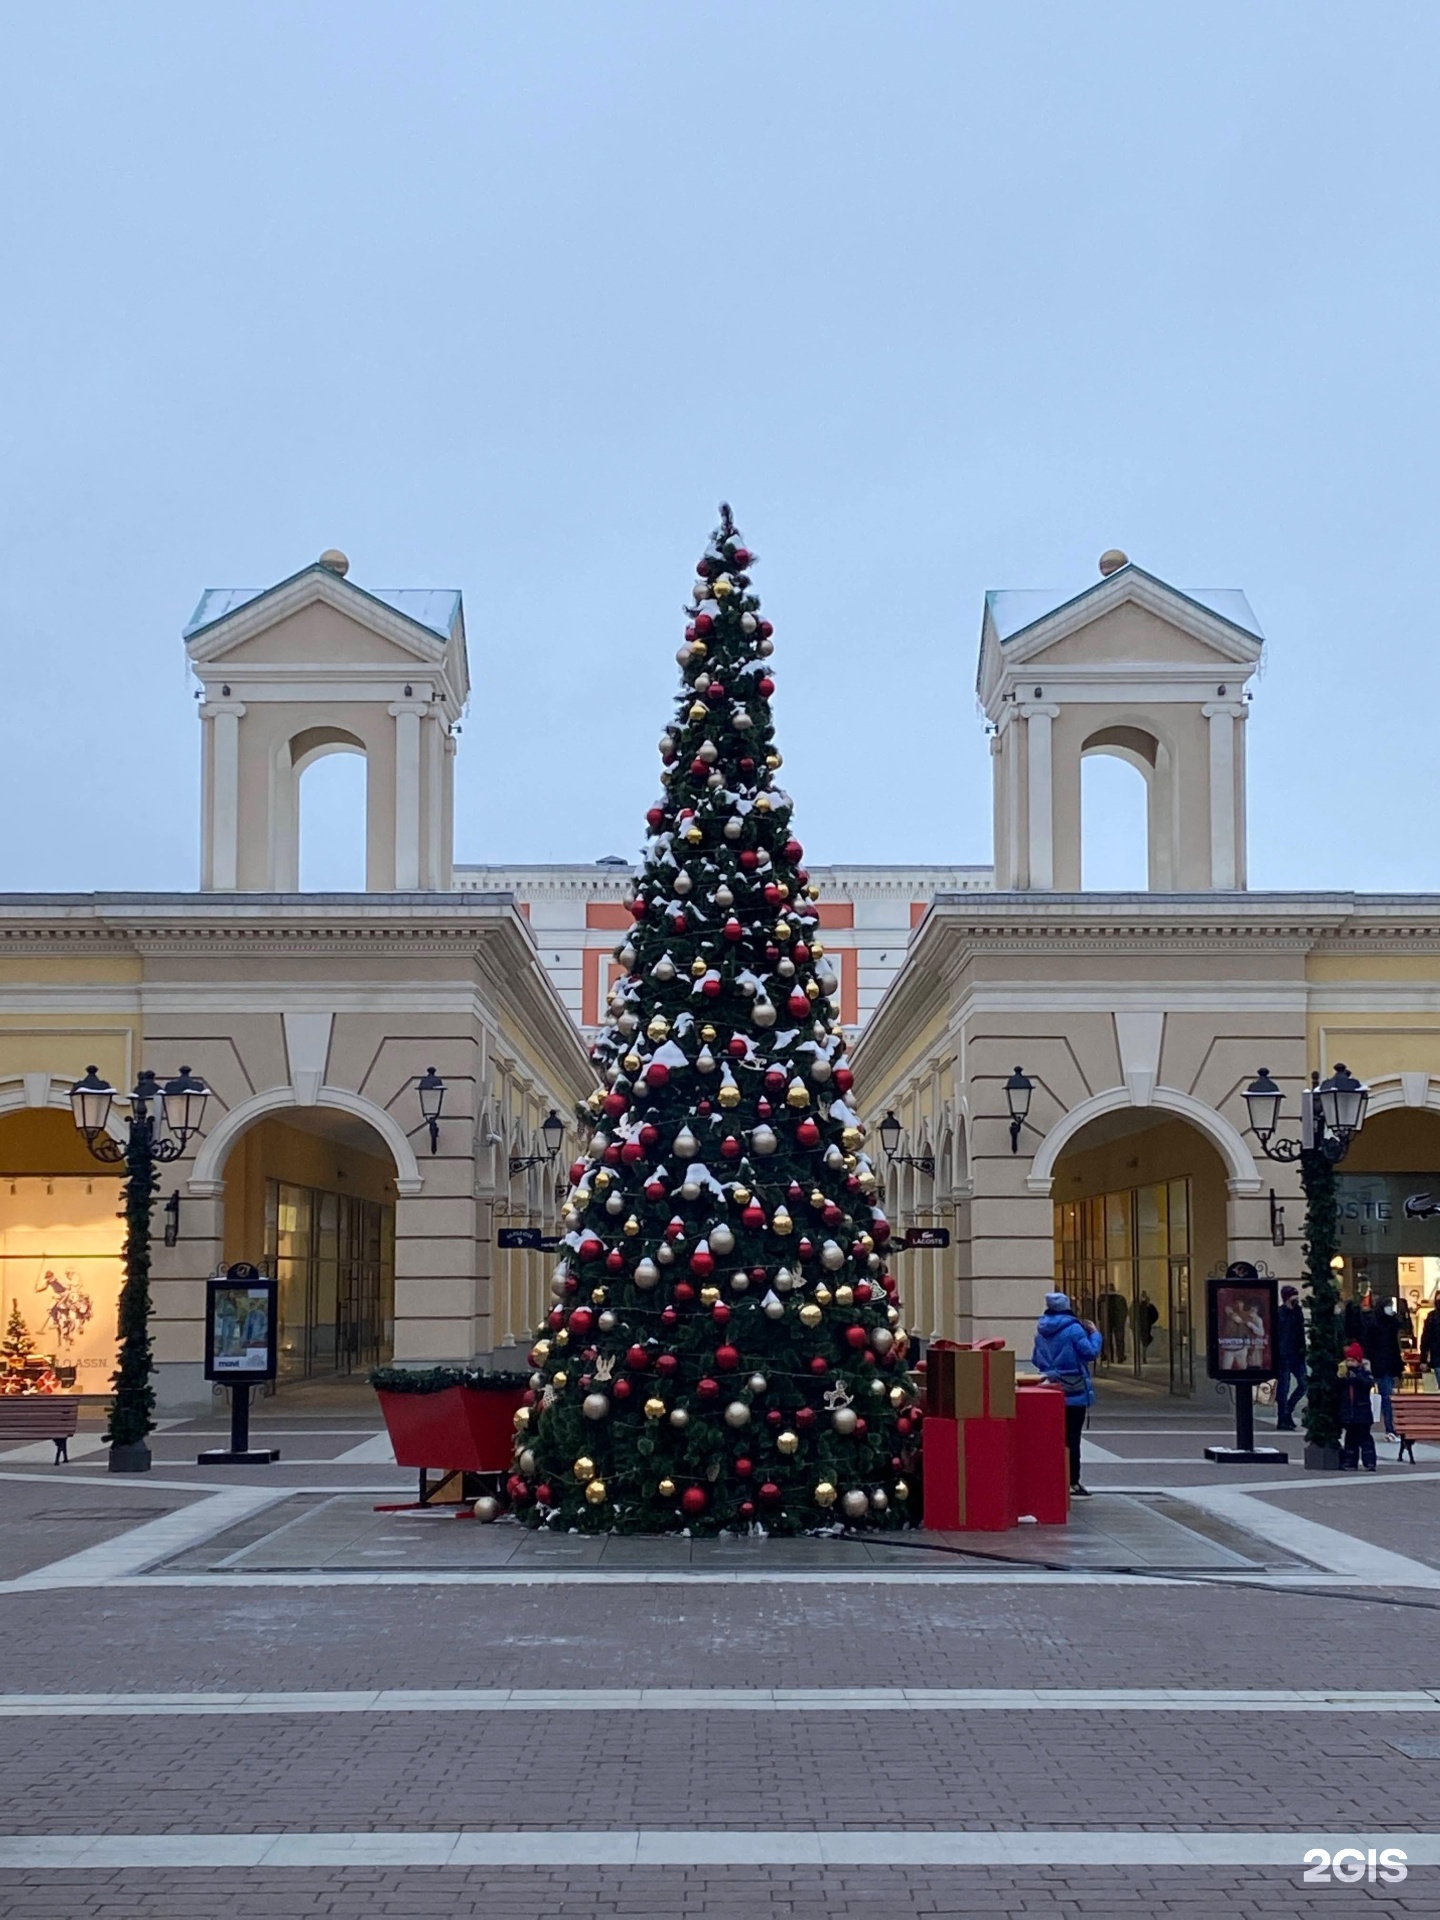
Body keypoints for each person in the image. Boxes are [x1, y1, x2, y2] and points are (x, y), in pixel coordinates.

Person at [1032, 1291, 1104, 1498]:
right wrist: (1095, 1334)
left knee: (1054, 1438)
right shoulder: (1074, 1329)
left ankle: (1052, 1478)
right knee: (1073, 1438)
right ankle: (1073, 1481)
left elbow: (1036, 1359)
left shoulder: (1041, 1330)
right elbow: (1089, 1353)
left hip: (1049, 1388)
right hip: (1074, 1390)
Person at [1362, 1298, 1404, 1442]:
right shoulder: (1373, 1324)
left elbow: (1395, 1346)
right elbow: (1369, 1345)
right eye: (1388, 1306)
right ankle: (1390, 1429)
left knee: (1387, 1397)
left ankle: (1390, 1428)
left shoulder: (1392, 1324)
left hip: (1389, 1365)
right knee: (1386, 1397)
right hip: (1380, 1365)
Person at [1337, 1341, 1378, 1472]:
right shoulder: (1345, 1375)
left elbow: (1368, 1383)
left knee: (1365, 1439)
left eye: (1352, 1360)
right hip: (1350, 1414)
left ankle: (1369, 1462)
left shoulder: (1364, 1373)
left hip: (1362, 1414)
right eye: (1348, 1360)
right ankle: (1350, 1462)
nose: (1349, 1363)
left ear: (1358, 1361)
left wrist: (1357, 1377)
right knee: (1350, 1440)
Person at [1275, 1284, 1307, 1432]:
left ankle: (1288, 1411)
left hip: (1297, 1355)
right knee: (1284, 1389)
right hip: (1283, 1356)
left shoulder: (1298, 1312)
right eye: (1294, 1296)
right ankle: (1283, 1418)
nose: (1296, 1299)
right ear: (1287, 1298)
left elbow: (1300, 1332)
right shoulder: (1280, 1313)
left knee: (1304, 1384)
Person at [1421, 1299, 1440, 1395]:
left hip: (1437, 1355)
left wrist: (1423, 1360)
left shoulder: (1432, 1316)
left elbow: (1425, 1339)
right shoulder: (1432, 1317)